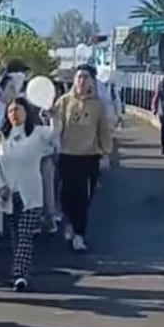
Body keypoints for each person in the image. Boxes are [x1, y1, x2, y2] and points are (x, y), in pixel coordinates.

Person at [0, 97, 54, 290]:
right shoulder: (1, 137)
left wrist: (53, 116)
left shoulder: (37, 133)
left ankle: (19, 274)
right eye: (11, 111)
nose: (14, 114)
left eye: (18, 110)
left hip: (30, 193)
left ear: (26, 112)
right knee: (15, 236)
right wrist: (0, 186)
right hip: (9, 194)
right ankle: (22, 270)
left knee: (25, 235)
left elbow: (55, 132)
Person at [51, 66, 112, 253]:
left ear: (91, 81)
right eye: (79, 77)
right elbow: (56, 127)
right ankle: (70, 222)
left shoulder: (98, 105)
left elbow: (104, 130)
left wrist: (106, 153)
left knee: (84, 197)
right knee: (66, 195)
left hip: (89, 156)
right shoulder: (64, 101)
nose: (82, 81)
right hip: (67, 154)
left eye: (86, 77)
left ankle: (79, 235)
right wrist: (51, 117)